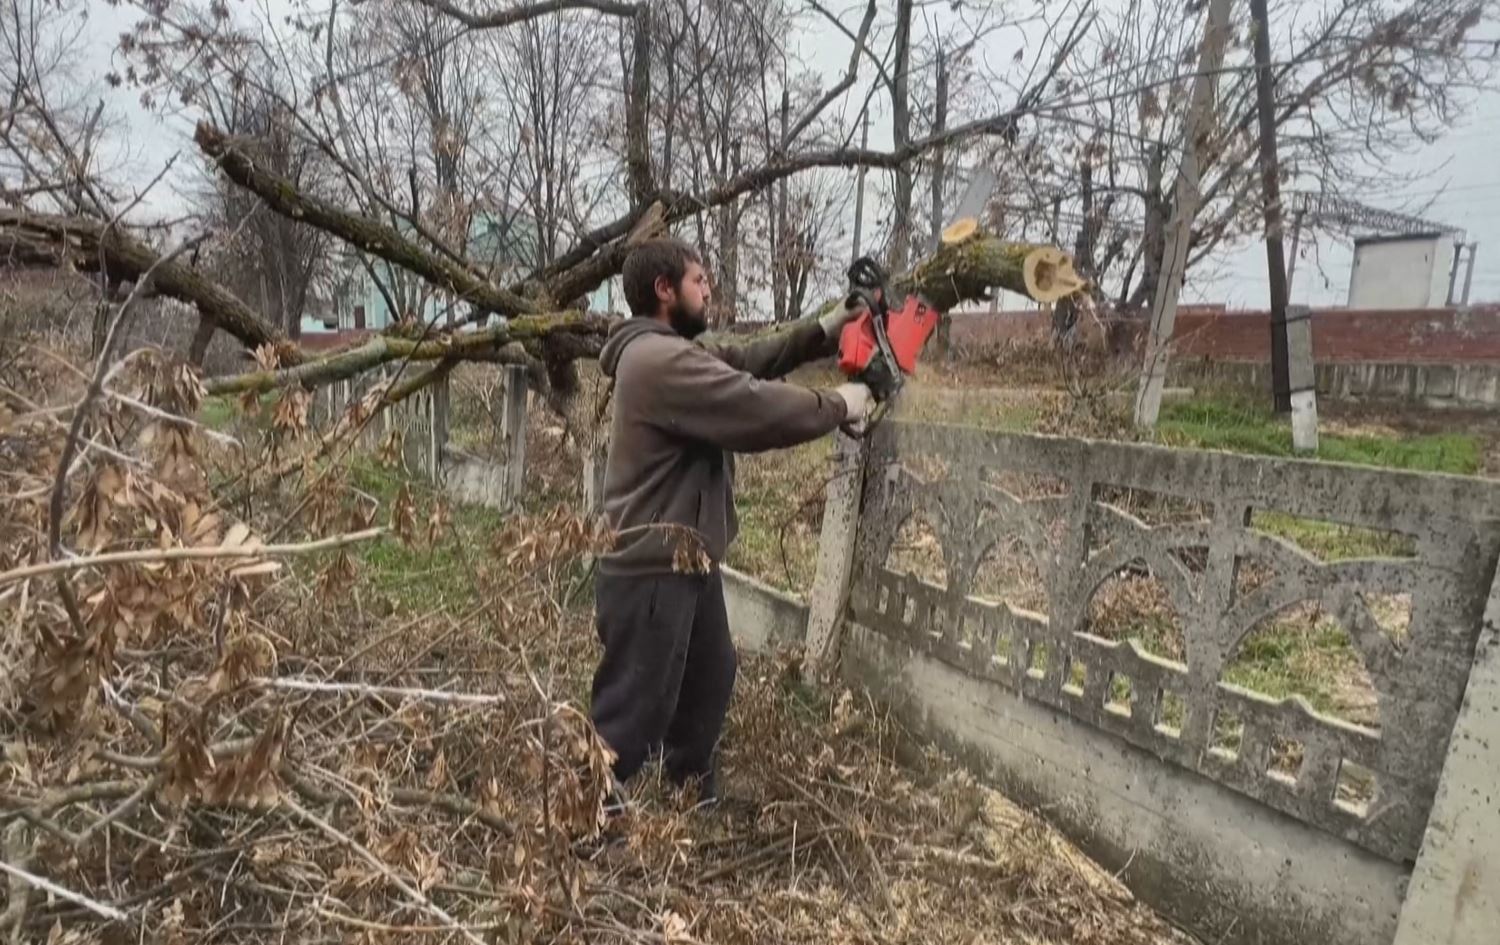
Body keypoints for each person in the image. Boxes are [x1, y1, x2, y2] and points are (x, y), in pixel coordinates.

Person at [592, 237, 872, 810]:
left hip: (686, 561)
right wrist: (842, 403)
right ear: (664, 290)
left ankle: (687, 800)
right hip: (652, 569)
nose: (709, 290)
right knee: (630, 714)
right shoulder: (658, 362)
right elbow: (752, 404)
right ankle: (588, 825)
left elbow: (750, 357)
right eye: (699, 281)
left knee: (708, 683)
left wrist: (828, 325)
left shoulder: (671, 351)